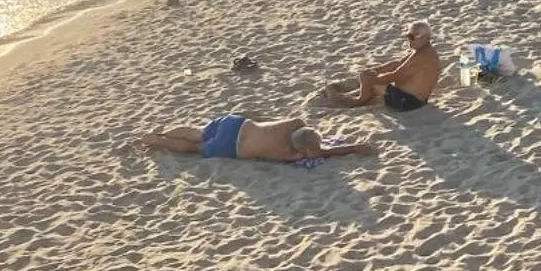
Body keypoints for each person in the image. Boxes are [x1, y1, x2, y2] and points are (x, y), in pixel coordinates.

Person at [141, 114, 375, 162]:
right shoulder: (288, 154)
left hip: (237, 124)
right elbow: (323, 152)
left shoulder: (294, 124)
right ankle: (155, 141)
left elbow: (305, 130)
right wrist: (353, 148)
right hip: (232, 146)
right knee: (196, 147)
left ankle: (163, 131)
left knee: (198, 132)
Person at [327, 20, 441, 111]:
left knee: (373, 84)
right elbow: (397, 63)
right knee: (371, 78)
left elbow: (396, 75)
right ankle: (357, 94)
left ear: (425, 38)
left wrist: (372, 79)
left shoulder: (424, 57)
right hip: (409, 98)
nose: (409, 40)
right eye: (408, 36)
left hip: (409, 102)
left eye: (412, 37)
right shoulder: (420, 50)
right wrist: (375, 70)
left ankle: (358, 101)